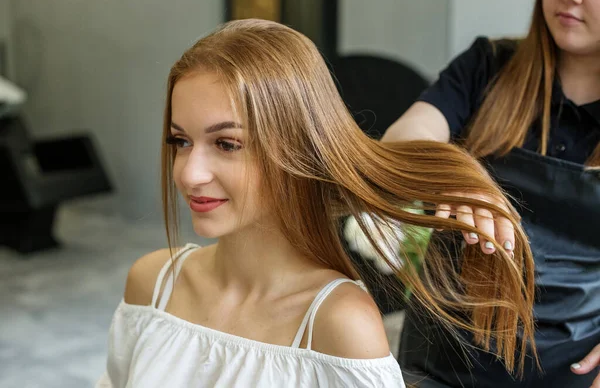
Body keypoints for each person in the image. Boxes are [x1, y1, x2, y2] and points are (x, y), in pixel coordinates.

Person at [96, 19, 537, 388]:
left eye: (227, 144)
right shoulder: (153, 284)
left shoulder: (339, 324)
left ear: (296, 149)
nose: (189, 173)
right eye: (180, 141)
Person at [383, 0, 600, 387]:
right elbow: (402, 139)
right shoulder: (487, 64)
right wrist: (456, 176)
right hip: (442, 359)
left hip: (569, 372)